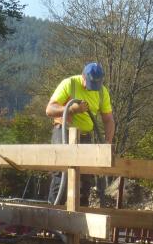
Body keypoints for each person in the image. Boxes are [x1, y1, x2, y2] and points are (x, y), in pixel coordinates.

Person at [45, 62, 115, 206]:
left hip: (85, 135)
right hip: (63, 130)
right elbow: (49, 110)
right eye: (90, 84)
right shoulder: (69, 84)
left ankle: (81, 219)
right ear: (83, 76)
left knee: (85, 177)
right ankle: (53, 215)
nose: (92, 88)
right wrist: (71, 109)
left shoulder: (102, 92)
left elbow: (108, 120)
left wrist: (107, 143)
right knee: (62, 172)